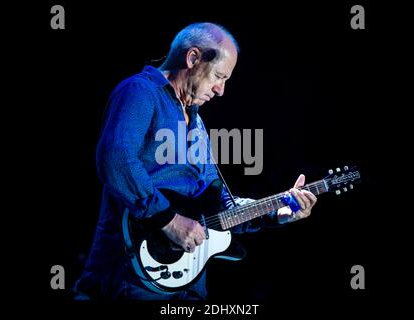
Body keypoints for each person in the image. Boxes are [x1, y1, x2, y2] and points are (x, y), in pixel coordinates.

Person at [73, 22, 317, 300]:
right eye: (219, 76)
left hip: (189, 284)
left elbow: (224, 205)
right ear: (193, 58)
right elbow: (115, 158)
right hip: (130, 277)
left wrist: (278, 209)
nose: (220, 90)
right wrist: (168, 220)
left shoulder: (197, 125)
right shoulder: (140, 92)